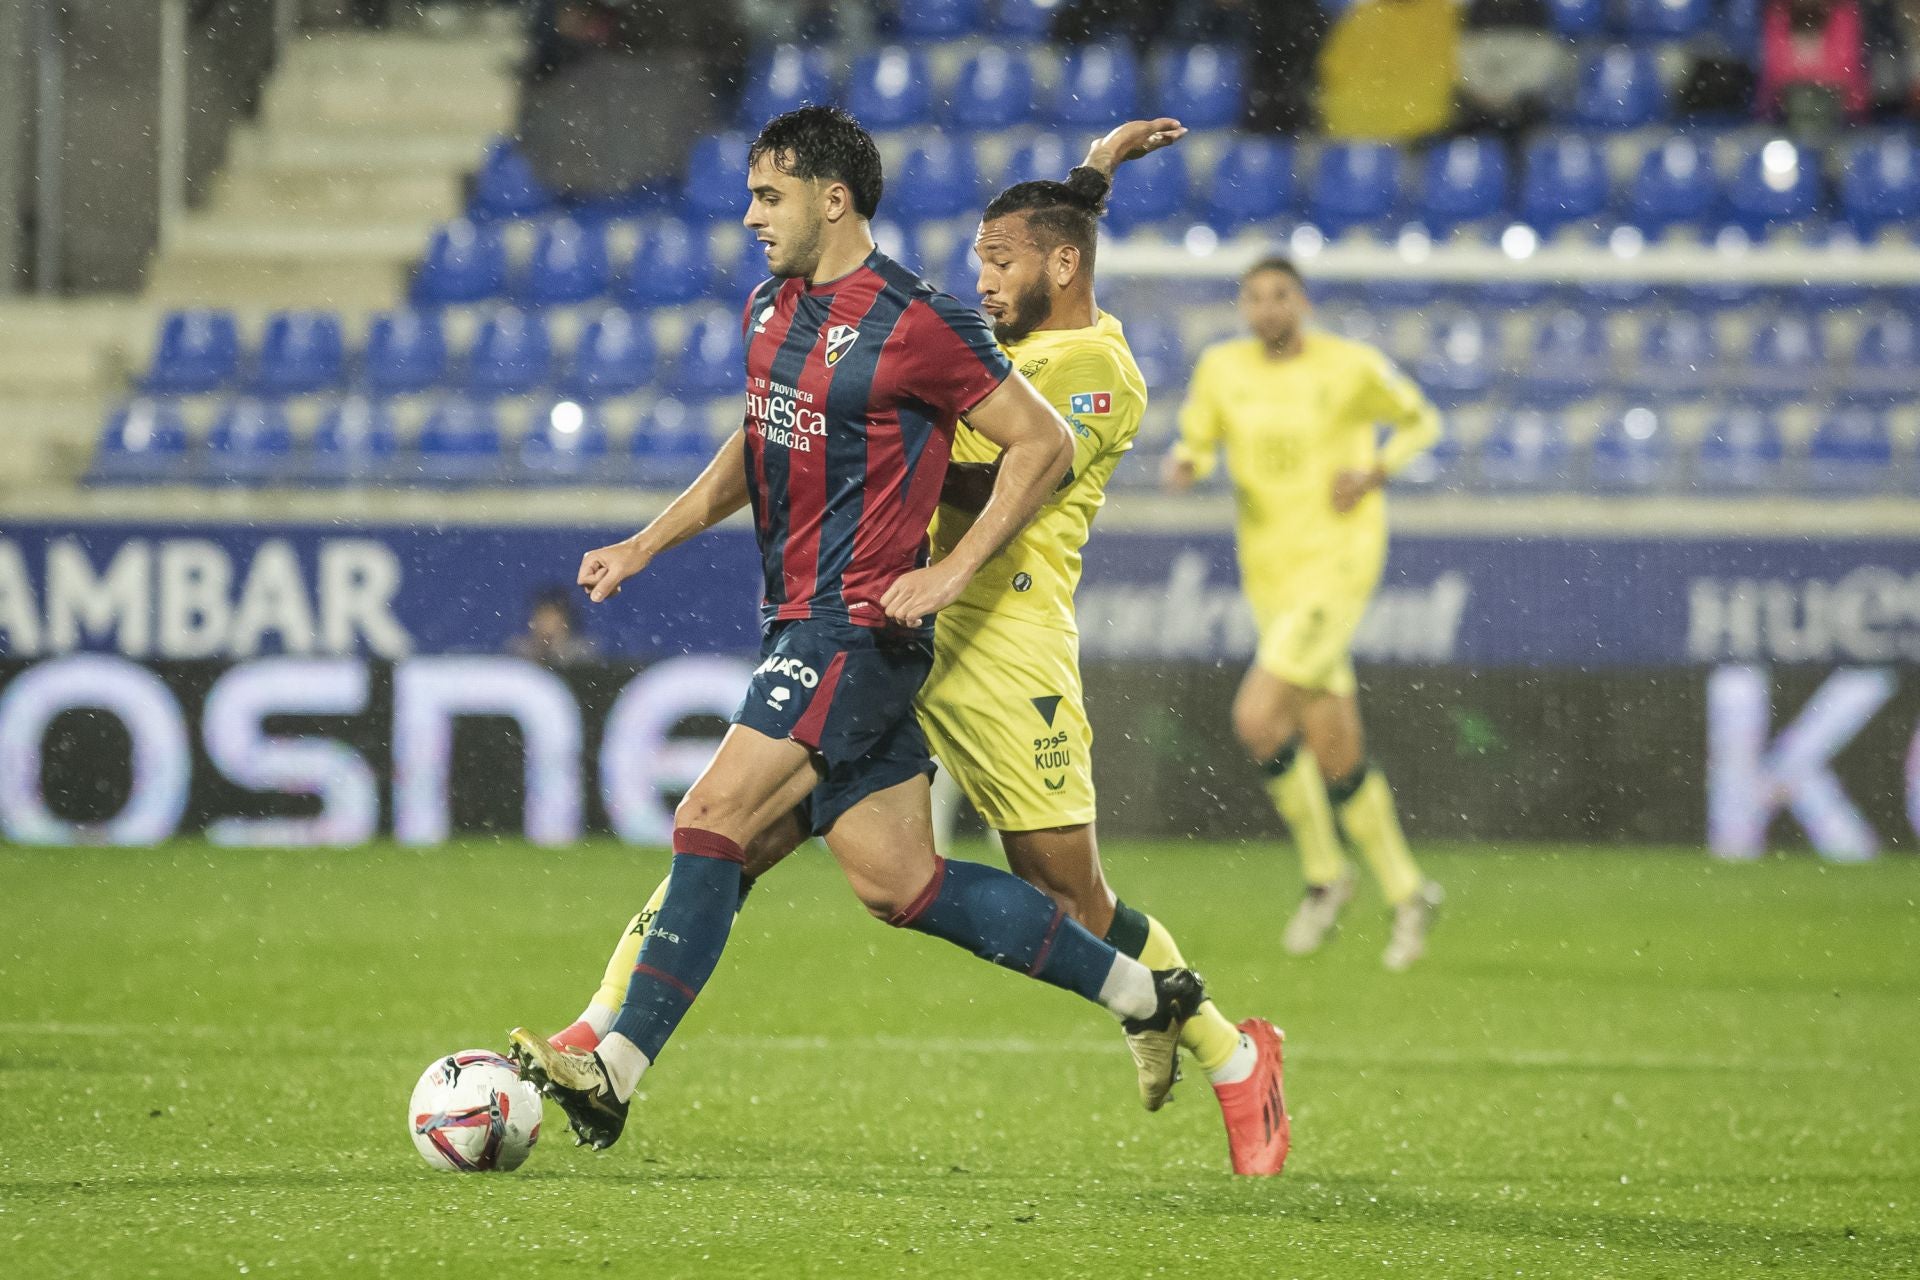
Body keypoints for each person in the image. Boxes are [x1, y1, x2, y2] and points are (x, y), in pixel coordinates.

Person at [534, 119, 1291, 1176]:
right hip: (878, 611)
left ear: (1059, 267)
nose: (981, 279)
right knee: (814, 857)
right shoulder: (898, 320)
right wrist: (1092, 175)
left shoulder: (1088, 366)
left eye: (1001, 262)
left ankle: (1220, 1042)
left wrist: (909, 483)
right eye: (977, 260)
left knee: (1069, 895)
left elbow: (1005, 458)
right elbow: (815, 411)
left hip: (993, 634)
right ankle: (600, 1038)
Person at [1163, 257, 1444, 971]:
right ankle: (1408, 893)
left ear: (1303, 301)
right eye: (1254, 297)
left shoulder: (1350, 367)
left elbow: (1421, 421)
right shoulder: (1222, 369)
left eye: (1279, 295)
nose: (1267, 308)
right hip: (1271, 576)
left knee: (1257, 719)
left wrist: (1376, 470)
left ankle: (1325, 877)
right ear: (1243, 306)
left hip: (1338, 566)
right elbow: (1197, 435)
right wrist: (1188, 461)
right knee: (1335, 746)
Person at [510, 586, 599, 667]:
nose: (545, 624)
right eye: (542, 617)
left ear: (565, 623)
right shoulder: (520, 652)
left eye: (551, 619)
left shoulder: (582, 654)